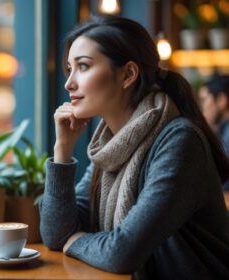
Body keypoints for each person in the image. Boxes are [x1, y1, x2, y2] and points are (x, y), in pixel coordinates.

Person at [39, 15, 229, 280]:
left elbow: (123, 253)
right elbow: (57, 234)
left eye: (83, 66)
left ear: (128, 74)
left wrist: (77, 242)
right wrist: (62, 150)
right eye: (69, 69)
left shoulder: (179, 141)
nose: (69, 83)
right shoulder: (110, 146)